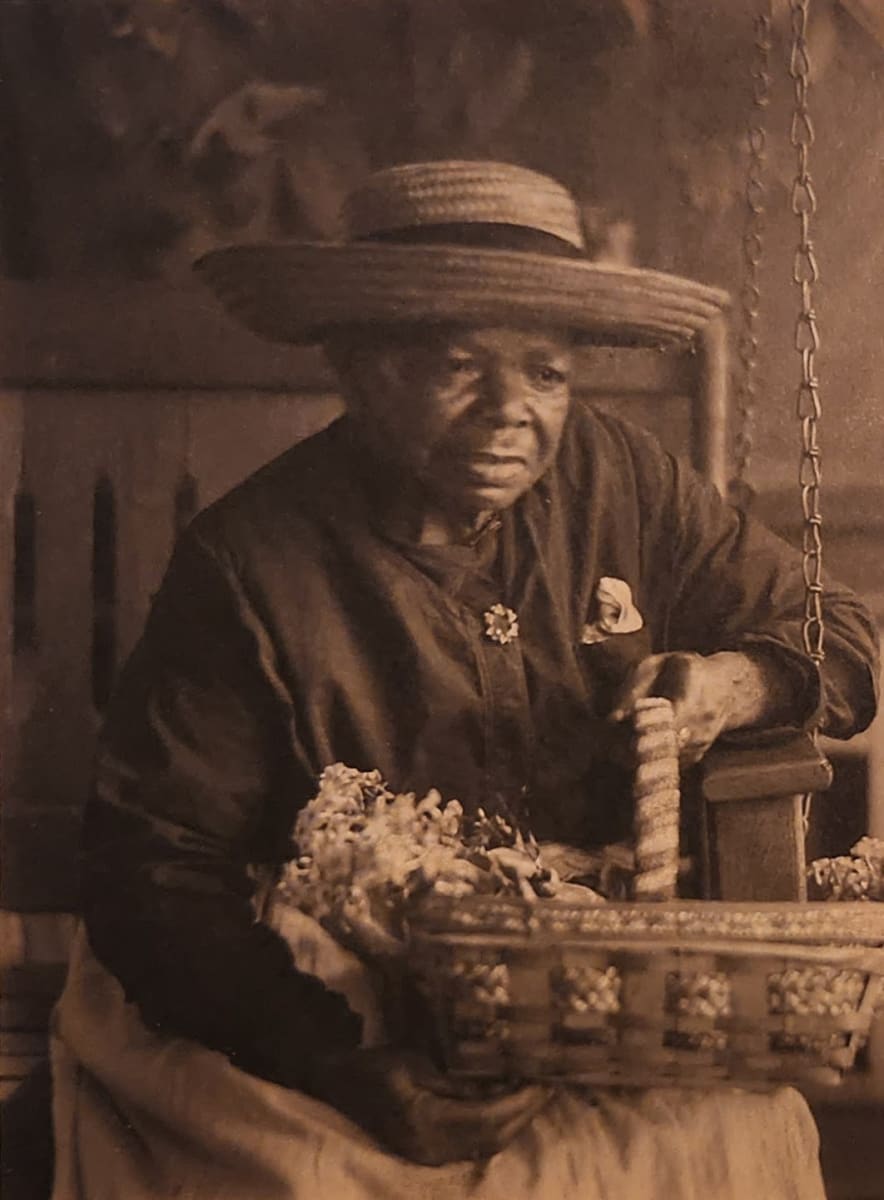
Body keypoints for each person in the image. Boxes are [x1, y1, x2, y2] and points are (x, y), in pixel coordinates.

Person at [50, 160, 878, 1199]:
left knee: (717, 1140)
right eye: (456, 365)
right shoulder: (249, 562)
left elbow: (841, 636)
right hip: (307, 982)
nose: (508, 412)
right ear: (358, 369)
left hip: (586, 988)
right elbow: (156, 869)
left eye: (545, 374)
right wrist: (336, 1061)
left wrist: (733, 684)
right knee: (324, 1174)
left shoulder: (623, 479)